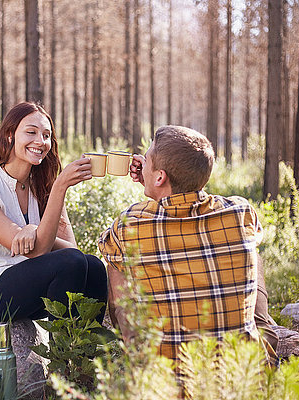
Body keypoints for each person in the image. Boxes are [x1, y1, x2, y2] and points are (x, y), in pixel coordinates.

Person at [98, 125, 278, 365]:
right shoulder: (241, 211)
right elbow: (195, 200)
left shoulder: (130, 223)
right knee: (252, 252)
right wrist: (164, 179)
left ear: (160, 176)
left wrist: (155, 185)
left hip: (169, 378)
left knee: (116, 260)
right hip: (242, 373)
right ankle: (262, 329)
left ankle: (138, 357)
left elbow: (118, 300)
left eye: (147, 159)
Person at [0, 101, 108, 324]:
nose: (40, 141)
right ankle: (61, 356)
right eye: (31, 132)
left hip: (28, 285)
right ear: (10, 135)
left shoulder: (43, 187)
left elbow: (71, 249)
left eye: (46, 135)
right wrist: (60, 187)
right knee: (72, 262)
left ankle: (87, 354)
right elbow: (35, 250)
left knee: (92, 266)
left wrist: (35, 229)